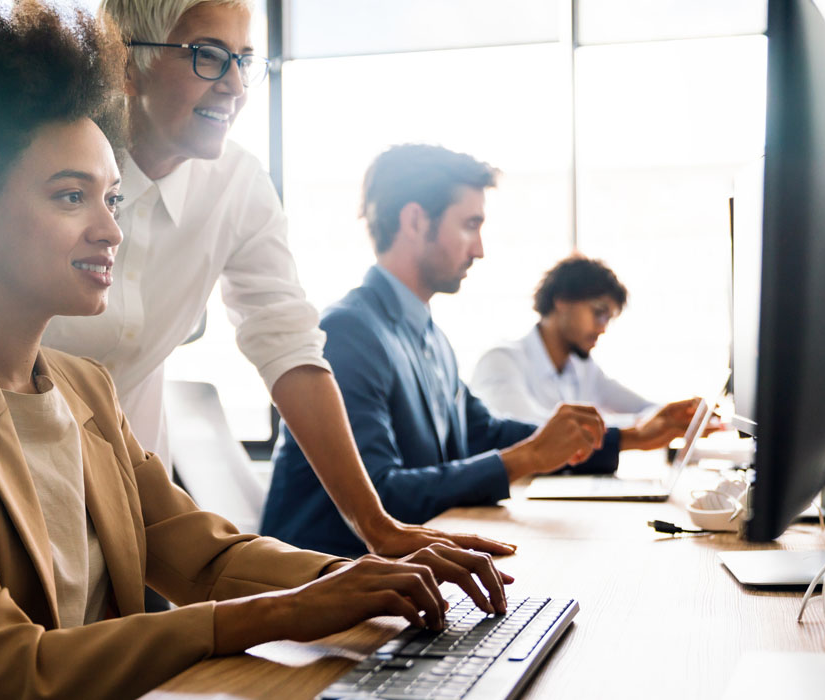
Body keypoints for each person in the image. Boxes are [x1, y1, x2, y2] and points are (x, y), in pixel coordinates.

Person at [0, 8, 510, 699]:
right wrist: (281, 613)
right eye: (71, 196)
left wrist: (363, 577)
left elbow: (206, 557)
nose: (111, 229)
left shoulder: (82, 390)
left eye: (111, 197)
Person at [262, 145, 619, 557]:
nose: (479, 248)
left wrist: (628, 439)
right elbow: (381, 500)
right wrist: (529, 457)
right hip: (326, 589)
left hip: (401, 577)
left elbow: (483, 434)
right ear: (415, 220)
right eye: (470, 225)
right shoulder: (347, 332)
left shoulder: (430, 335)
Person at [469, 254, 699, 447]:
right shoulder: (501, 361)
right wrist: (638, 428)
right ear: (562, 301)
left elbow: (644, 409)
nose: (602, 328)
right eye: (598, 313)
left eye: (608, 319)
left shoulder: (583, 368)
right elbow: (527, 435)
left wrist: (681, 416)